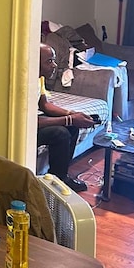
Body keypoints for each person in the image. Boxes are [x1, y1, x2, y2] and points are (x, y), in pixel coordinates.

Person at [38, 43, 95, 192]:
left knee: (72, 127)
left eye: (53, 60)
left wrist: (71, 114)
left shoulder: (39, 78)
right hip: (25, 128)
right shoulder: (24, 82)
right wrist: (69, 119)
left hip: (34, 120)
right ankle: (55, 184)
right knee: (60, 133)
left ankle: (61, 177)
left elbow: (44, 105)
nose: (55, 65)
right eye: (49, 61)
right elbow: (29, 122)